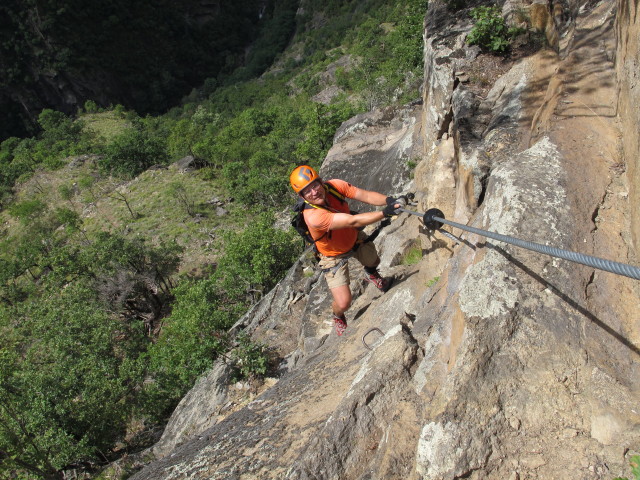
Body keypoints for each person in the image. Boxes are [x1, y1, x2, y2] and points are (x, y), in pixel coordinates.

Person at [289, 165, 405, 336]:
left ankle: (372, 274)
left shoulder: (335, 186)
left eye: (314, 185)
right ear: (302, 197)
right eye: (307, 191)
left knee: (373, 261)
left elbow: (364, 195)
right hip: (333, 254)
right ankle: (337, 316)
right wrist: (385, 213)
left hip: (353, 238)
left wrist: (390, 201)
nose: (314, 192)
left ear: (321, 182)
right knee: (344, 302)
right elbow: (352, 221)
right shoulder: (313, 217)